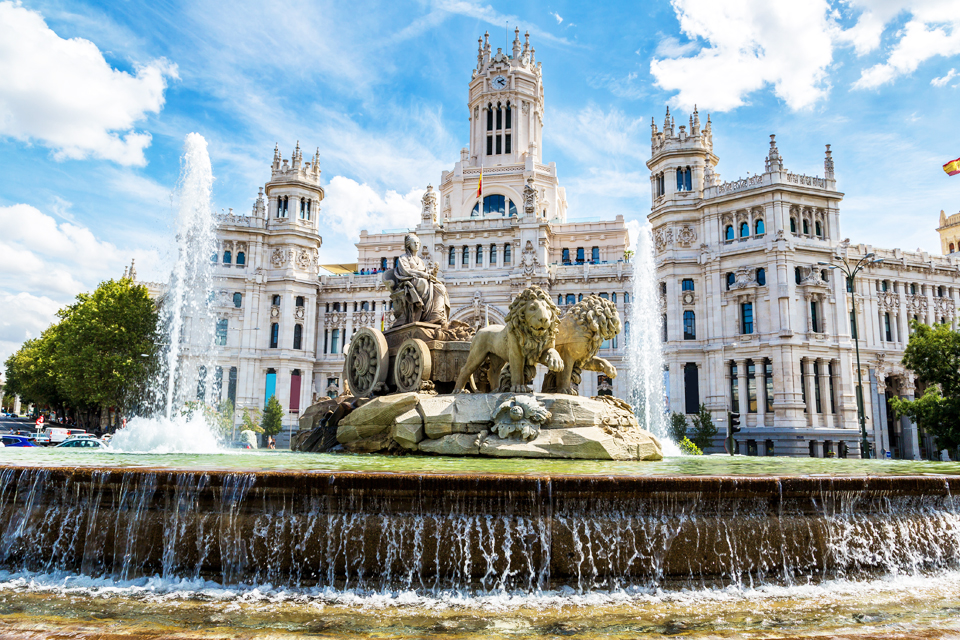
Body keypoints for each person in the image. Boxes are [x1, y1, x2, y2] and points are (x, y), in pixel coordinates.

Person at [386, 233, 450, 326]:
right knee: (423, 283)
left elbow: (427, 273)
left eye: (417, 243)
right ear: (408, 245)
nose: (416, 244)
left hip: (422, 281)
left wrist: (434, 272)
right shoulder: (403, 258)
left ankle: (435, 314)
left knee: (440, 287)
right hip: (409, 281)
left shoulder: (420, 260)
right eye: (414, 243)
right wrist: (422, 274)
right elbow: (406, 271)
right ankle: (424, 314)